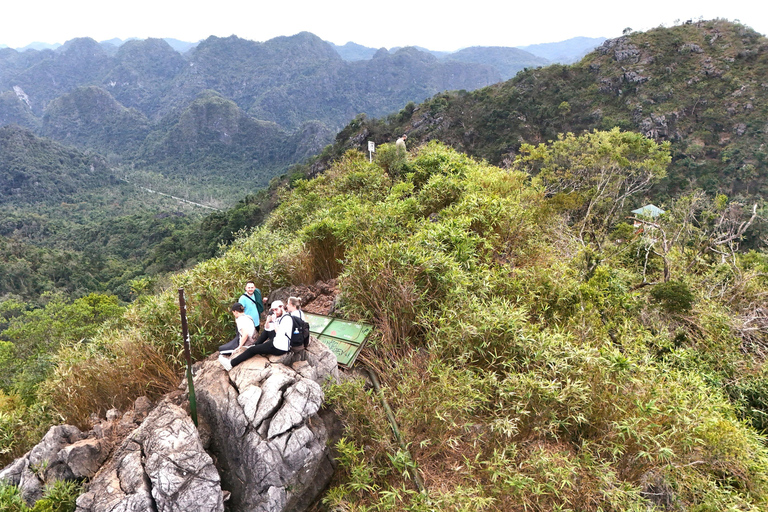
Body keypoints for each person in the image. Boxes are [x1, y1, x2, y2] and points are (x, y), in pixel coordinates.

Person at [219, 300, 291, 370]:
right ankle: (256, 345)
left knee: (252, 350)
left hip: (279, 347)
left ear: (281, 307)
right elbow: (268, 329)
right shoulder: (280, 317)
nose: (275, 312)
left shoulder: (286, 319)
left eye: (276, 309)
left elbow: (279, 334)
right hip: (276, 342)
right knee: (257, 345)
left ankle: (231, 364)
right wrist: (268, 321)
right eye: (273, 310)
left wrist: (274, 321)